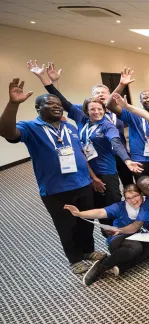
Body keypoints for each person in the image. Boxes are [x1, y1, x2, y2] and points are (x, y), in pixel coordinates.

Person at [0, 78, 105, 274]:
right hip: (55, 189)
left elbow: (82, 153)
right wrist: (13, 104)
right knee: (67, 226)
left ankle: (88, 250)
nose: (57, 107)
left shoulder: (70, 128)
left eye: (59, 105)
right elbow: (6, 131)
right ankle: (74, 258)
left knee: (86, 222)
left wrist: (91, 177)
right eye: (50, 104)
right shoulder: (30, 128)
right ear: (38, 107)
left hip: (82, 184)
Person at [43, 62, 135, 187]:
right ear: (92, 97)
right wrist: (53, 83)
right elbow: (62, 102)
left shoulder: (119, 111)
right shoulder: (83, 112)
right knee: (105, 187)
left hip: (120, 153)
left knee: (128, 183)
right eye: (97, 93)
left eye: (104, 92)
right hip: (97, 158)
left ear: (110, 96)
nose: (101, 94)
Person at [63, 184, 149, 286]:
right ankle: (101, 267)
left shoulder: (147, 205)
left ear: (141, 194)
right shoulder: (119, 207)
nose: (133, 201)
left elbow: (140, 226)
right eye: (129, 198)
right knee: (135, 247)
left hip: (139, 237)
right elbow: (100, 212)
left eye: (135, 196)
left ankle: (122, 267)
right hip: (119, 239)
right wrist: (79, 214)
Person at [107, 87, 149, 181]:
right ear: (140, 101)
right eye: (145, 98)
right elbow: (110, 106)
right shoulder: (133, 114)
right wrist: (121, 85)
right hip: (140, 161)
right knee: (143, 190)